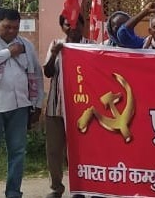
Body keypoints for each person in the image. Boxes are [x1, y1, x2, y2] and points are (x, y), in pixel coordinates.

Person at [0, 8, 45, 198]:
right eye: (7, 27)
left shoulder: (25, 45)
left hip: (20, 105)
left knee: (17, 152)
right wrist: (8, 53)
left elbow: (36, 74)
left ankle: (13, 192)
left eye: (15, 28)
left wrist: (37, 104)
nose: (12, 31)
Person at [43, 15, 90, 198]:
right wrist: (54, 54)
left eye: (76, 24)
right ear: (62, 26)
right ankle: (56, 188)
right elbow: (48, 72)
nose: (72, 28)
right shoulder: (56, 44)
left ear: (83, 25)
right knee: (54, 151)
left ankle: (80, 188)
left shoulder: (91, 46)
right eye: (67, 24)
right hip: (56, 107)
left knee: (80, 152)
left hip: (82, 110)